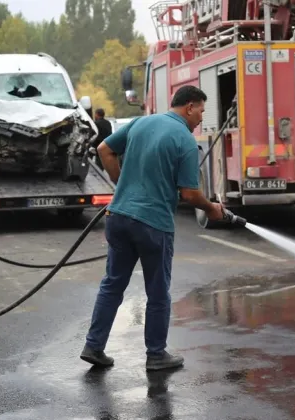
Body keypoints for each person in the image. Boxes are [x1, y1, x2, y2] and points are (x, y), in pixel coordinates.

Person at [80, 86, 226, 371]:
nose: (201, 118)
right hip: (152, 224)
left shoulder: (141, 122)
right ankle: (156, 355)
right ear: (189, 107)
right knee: (158, 292)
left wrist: (122, 185)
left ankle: (93, 346)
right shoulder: (184, 139)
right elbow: (189, 194)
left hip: (119, 216)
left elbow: (104, 149)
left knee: (112, 285)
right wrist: (212, 209)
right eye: (201, 111)